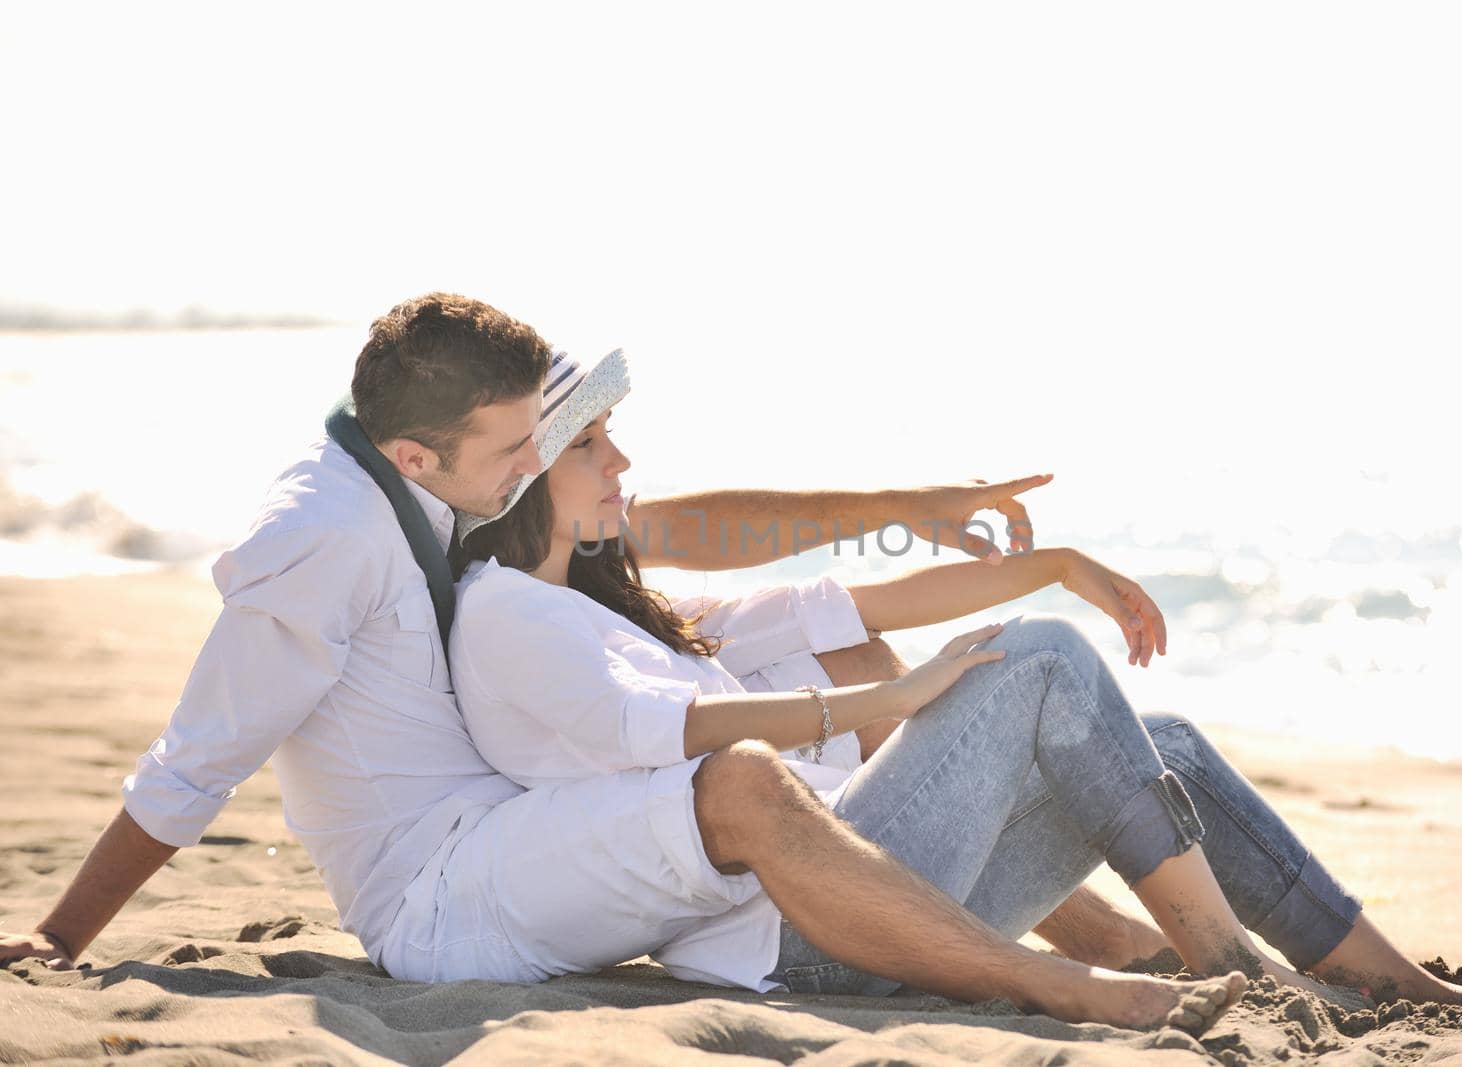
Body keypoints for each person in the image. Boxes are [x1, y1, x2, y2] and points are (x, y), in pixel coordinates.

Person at [441, 347, 1462, 1032]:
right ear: (533, 470)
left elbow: (863, 603)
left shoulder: (650, 615)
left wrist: (1047, 563)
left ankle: (1407, 986)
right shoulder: (517, 619)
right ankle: (1229, 968)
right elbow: (666, 730)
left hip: (859, 900)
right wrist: (896, 701)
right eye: (597, 443)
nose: (625, 466)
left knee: (1166, 738)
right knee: (1041, 660)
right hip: (794, 934)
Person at [0, 294, 1072, 982]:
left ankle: (1071, 930)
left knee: (838, 649)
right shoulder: (322, 537)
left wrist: (907, 501)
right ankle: (1020, 955)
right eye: (524, 444)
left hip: (522, 802)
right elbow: (204, 749)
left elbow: (669, 523)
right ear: (421, 456)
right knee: (760, 759)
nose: (535, 463)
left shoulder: (437, 460)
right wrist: (61, 936)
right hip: (447, 886)